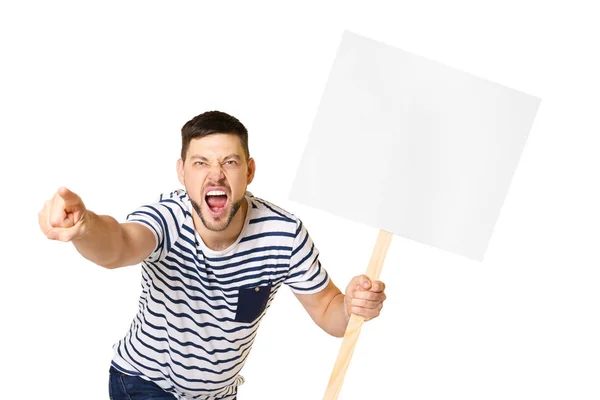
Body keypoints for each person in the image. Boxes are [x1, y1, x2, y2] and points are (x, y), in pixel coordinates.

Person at [38, 110, 387, 400]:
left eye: (229, 162)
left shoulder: (283, 234)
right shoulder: (167, 219)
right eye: (201, 162)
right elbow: (119, 246)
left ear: (249, 171)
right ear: (182, 172)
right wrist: (85, 227)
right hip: (144, 383)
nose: (215, 174)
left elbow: (329, 311)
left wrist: (352, 306)